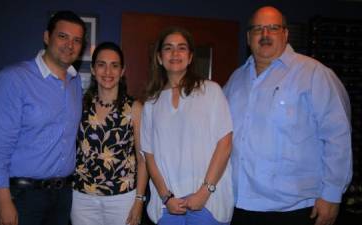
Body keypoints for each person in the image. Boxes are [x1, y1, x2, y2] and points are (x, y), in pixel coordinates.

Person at [223, 6, 352, 225]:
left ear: (285, 34)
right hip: (240, 205)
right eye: (258, 29)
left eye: (273, 28)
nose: (265, 35)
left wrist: (332, 194)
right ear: (248, 37)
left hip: (294, 209)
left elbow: (337, 136)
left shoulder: (314, 74)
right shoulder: (235, 80)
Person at [0, 11, 86, 225]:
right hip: (23, 197)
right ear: (47, 37)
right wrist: (3, 200)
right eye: (63, 36)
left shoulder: (75, 84)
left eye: (77, 40)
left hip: (64, 195)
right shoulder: (13, 79)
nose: (70, 45)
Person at [141, 26, 234, 225]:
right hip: (168, 205)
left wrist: (204, 192)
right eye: (168, 48)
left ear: (190, 57)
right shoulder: (151, 103)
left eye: (181, 48)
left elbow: (225, 144)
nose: (175, 53)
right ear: (159, 57)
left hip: (208, 202)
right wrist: (166, 196)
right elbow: (149, 156)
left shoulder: (211, 91)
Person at [70, 42, 148, 225]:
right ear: (93, 69)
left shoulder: (135, 108)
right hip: (82, 199)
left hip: (122, 199)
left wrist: (139, 200)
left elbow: (142, 158)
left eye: (114, 65)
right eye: (101, 64)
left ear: (122, 71)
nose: (108, 72)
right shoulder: (79, 105)